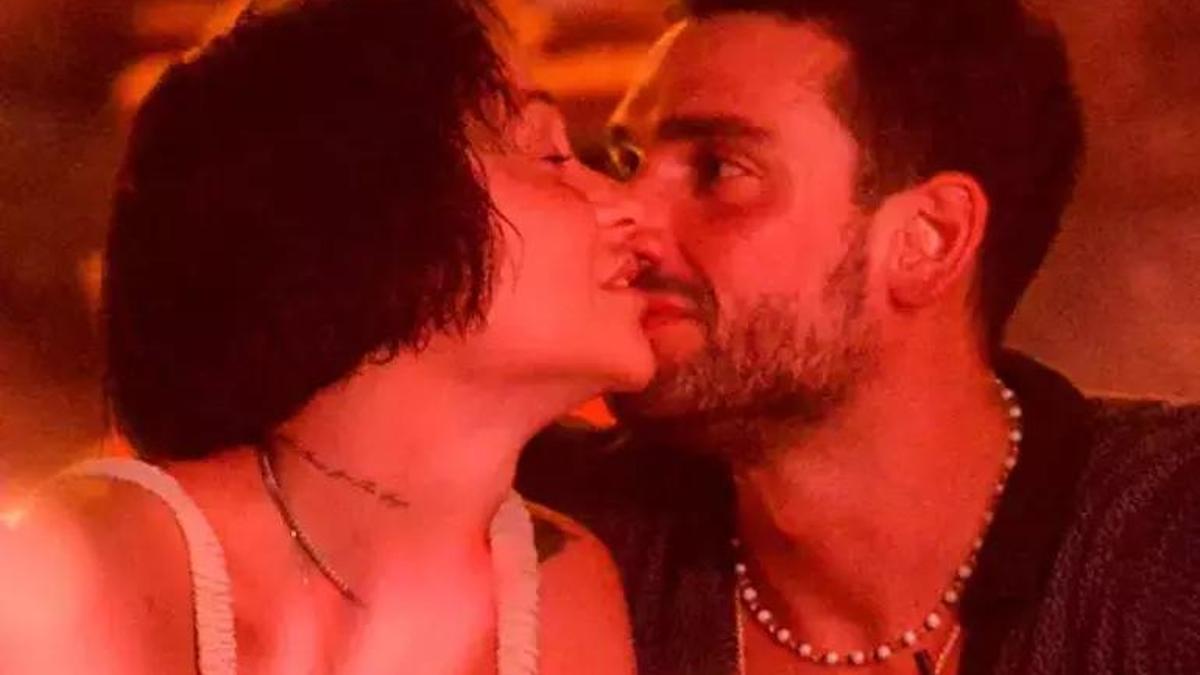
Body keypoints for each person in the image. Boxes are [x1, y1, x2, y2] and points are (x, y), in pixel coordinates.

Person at [518, 1, 1200, 673]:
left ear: (929, 240)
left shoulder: (1170, 543)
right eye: (628, 160)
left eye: (719, 169)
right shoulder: (560, 534)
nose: (624, 212)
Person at [0, 0, 652, 673]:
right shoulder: (114, 558)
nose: (629, 206)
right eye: (551, 155)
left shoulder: (562, 587)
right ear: (380, 215)